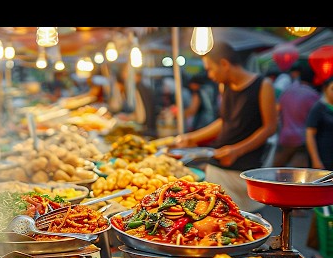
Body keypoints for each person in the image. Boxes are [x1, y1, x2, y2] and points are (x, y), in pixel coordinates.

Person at [173, 40, 278, 212]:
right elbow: (224, 121)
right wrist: (191, 137)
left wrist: (237, 150)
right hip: (218, 162)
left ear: (224, 63)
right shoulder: (225, 86)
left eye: (210, 69)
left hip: (244, 169)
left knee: (240, 220)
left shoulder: (263, 85)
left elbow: (270, 127)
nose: (209, 75)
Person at [272, 63, 319, 168]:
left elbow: (277, 110)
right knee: (298, 177)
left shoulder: (286, 91)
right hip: (302, 141)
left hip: (285, 138)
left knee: (276, 172)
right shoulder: (313, 96)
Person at [114, 63, 158, 138]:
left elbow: (142, 116)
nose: (124, 76)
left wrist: (129, 118)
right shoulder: (138, 88)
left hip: (148, 132)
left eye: (125, 72)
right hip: (146, 130)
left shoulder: (141, 89)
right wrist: (128, 117)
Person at [305, 75, 333, 170]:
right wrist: (315, 160)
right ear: (325, 89)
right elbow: (309, 134)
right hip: (323, 158)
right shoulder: (318, 108)